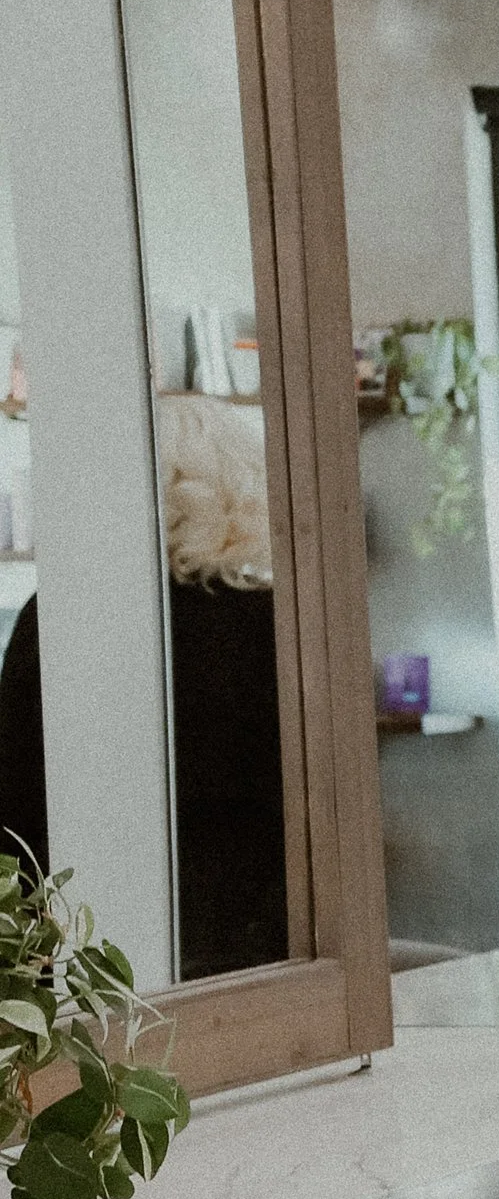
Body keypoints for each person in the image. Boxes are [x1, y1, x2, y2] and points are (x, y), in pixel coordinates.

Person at [0, 393, 287, 978]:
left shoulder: (58, 617)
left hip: (88, 942)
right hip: (258, 946)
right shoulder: (275, 625)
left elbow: (16, 806)